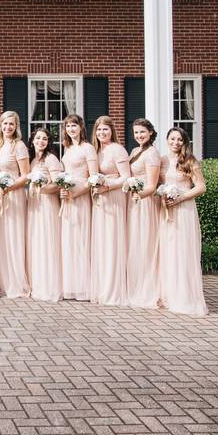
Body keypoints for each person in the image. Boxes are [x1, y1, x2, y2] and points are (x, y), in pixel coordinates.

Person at [158, 127, 209, 316]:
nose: (175, 143)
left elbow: (201, 187)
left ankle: (185, 297)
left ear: (184, 142)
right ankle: (169, 295)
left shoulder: (189, 161)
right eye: (172, 139)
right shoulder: (162, 160)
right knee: (168, 251)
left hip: (184, 209)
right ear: (167, 139)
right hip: (166, 210)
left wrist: (180, 197)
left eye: (179, 140)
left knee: (183, 251)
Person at [89, 115, 130, 307]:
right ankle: (101, 286)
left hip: (113, 198)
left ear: (112, 131)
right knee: (102, 242)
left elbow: (126, 177)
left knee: (112, 242)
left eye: (105, 129)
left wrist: (107, 185)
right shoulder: (97, 150)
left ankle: (113, 289)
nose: (102, 133)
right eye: (98, 130)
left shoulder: (117, 149)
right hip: (100, 199)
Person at [0, 110, 31, 298]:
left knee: (13, 237)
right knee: (1, 238)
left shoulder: (19, 146)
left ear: (16, 127)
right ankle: (3, 280)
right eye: (5, 124)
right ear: (0, 125)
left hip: (14, 196)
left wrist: (9, 187)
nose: (7, 127)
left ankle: (16, 282)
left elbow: (26, 175)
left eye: (11, 125)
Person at [59, 114, 98, 301]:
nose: (71, 129)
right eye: (68, 126)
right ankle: (70, 285)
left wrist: (76, 193)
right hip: (67, 197)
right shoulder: (67, 148)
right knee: (69, 241)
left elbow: (94, 178)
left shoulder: (88, 148)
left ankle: (83, 287)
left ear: (81, 127)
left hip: (80, 197)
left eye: (74, 125)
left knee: (81, 240)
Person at [126, 118, 162, 309]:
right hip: (134, 202)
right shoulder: (135, 151)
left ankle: (148, 289)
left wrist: (137, 194)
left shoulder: (152, 154)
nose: (139, 135)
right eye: (136, 132)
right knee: (135, 244)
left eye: (142, 132)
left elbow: (152, 185)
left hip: (145, 203)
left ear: (150, 133)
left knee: (145, 244)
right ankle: (135, 286)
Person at [25, 127, 64, 303]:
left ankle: (49, 286)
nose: (41, 141)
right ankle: (37, 283)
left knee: (47, 242)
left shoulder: (51, 159)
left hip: (47, 203)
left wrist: (41, 189)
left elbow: (57, 184)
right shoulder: (33, 160)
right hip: (34, 204)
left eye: (45, 139)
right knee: (36, 242)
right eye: (38, 138)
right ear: (32, 140)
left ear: (49, 142)